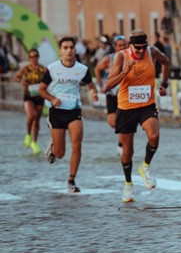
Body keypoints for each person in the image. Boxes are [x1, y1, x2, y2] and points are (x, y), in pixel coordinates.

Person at [104, 30, 171, 203]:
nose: (141, 52)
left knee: (154, 136)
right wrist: (125, 72)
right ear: (130, 45)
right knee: (128, 150)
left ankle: (145, 167)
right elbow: (108, 85)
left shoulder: (152, 52)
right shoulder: (121, 57)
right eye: (138, 48)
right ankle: (128, 183)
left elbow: (166, 62)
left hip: (147, 105)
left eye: (143, 47)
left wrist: (164, 84)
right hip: (126, 108)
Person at [38, 37, 99, 193]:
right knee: (60, 153)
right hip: (57, 112)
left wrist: (93, 94)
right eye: (65, 47)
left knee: (77, 143)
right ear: (60, 51)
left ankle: (71, 180)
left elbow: (91, 86)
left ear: (75, 50)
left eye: (71, 47)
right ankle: (53, 147)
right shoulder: (52, 69)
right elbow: (41, 90)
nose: (69, 50)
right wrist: (53, 99)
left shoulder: (82, 69)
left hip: (74, 110)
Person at [94, 34, 127, 156]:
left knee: (124, 120)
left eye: (124, 45)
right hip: (112, 93)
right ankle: (123, 136)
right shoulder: (110, 59)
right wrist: (101, 85)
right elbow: (97, 69)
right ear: (115, 47)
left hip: (126, 94)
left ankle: (121, 143)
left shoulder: (131, 58)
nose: (122, 47)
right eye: (119, 45)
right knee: (113, 122)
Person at [13, 48, 47, 155]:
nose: (34, 58)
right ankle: (28, 134)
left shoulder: (43, 69)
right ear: (29, 58)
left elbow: (50, 79)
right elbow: (16, 78)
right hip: (28, 95)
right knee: (31, 115)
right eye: (31, 57)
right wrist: (21, 81)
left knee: (37, 120)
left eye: (35, 56)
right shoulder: (25, 69)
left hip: (39, 95)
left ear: (38, 57)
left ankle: (34, 142)